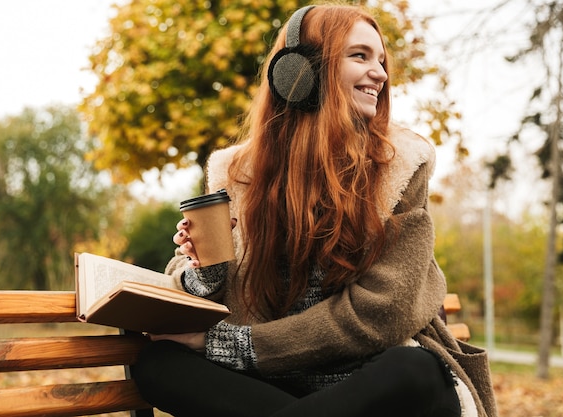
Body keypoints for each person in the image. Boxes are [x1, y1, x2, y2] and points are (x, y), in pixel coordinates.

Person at [133, 3, 498, 417]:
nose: (380, 73)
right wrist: (203, 268)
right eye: (360, 56)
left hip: (369, 382)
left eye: (380, 60)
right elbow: (198, 290)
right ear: (297, 72)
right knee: (158, 365)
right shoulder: (233, 173)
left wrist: (230, 345)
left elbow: (381, 314)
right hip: (276, 387)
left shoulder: (401, 167)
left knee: (414, 371)